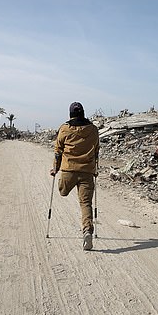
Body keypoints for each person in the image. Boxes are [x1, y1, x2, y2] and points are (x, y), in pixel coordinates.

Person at [50, 102, 99, 251]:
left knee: (62, 191)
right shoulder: (93, 129)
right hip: (87, 172)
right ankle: (87, 231)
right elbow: (96, 151)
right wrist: (96, 169)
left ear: (71, 114)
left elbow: (58, 151)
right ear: (83, 113)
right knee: (85, 203)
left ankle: (87, 232)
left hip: (68, 170)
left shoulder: (64, 129)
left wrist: (55, 169)